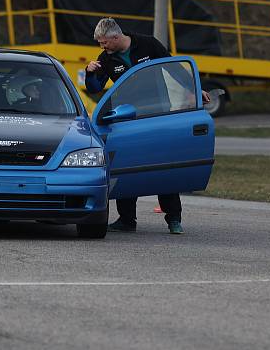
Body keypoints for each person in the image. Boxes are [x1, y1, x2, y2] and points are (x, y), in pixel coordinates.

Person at [84, 17, 210, 235]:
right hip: (128, 118)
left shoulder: (148, 44)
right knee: (128, 165)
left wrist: (196, 90)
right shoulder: (105, 58)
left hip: (158, 113)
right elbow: (95, 88)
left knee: (164, 165)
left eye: (104, 42)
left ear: (116, 36)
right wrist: (90, 72)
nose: (102, 47)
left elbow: (174, 69)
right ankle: (126, 219)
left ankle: (174, 219)